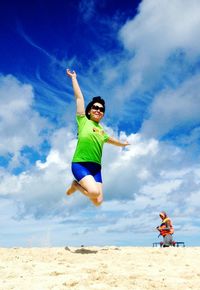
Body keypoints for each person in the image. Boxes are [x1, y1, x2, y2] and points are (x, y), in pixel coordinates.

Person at [66, 69, 129, 206]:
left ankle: (77, 187)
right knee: (94, 193)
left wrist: (123, 144)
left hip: (96, 168)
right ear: (89, 110)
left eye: (101, 109)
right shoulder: (83, 121)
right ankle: (76, 185)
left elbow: (111, 140)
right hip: (81, 164)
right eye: (95, 107)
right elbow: (79, 98)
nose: (98, 110)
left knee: (98, 201)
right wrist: (74, 78)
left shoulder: (101, 131)